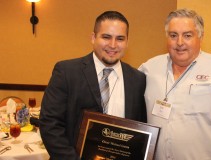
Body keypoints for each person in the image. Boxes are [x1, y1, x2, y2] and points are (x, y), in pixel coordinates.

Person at [139, 8, 211, 160]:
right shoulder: (148, 68)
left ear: (201, 37)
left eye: (187, 35)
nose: (179, 42)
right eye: (173, 35)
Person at [39, 11, 147, 160]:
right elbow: (50, 125)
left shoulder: (138, 79)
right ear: (93, 37)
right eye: (106, 37)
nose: (113, 45)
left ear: (127, 42)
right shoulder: (66, 72)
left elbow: (140, 129)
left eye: (120, 38)